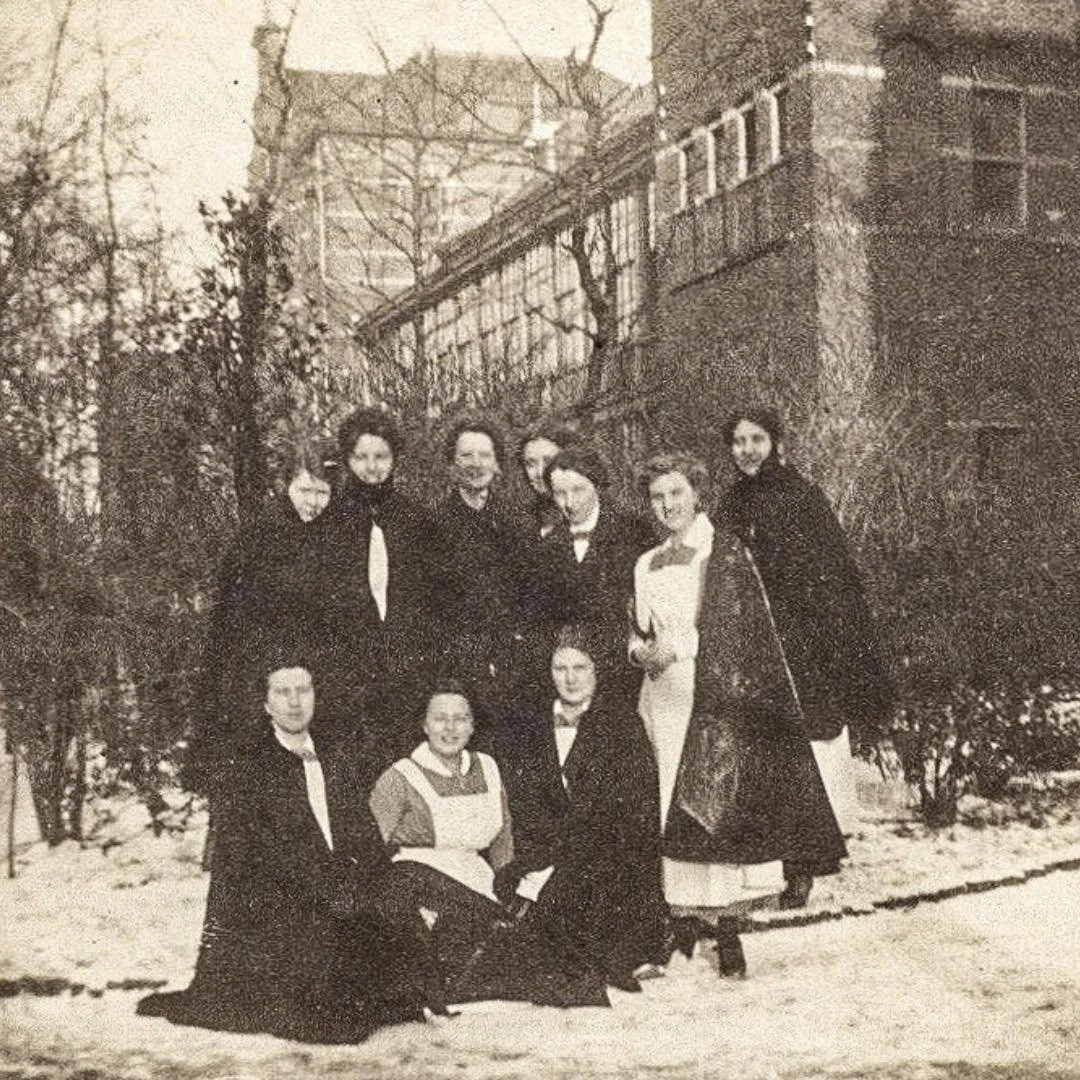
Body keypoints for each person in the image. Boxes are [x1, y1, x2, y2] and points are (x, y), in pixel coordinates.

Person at [139, 661, 435, 1042]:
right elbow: (263, 855)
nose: (295, 703)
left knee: (388, 936)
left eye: (303, 690)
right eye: (282, 692)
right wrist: (329, 889)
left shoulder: (333, 755)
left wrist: (369, 880)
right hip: (275, 901)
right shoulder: (250, 765)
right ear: (265, 705)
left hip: (334, 886)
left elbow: (360, 833)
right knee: (322, 992)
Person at [632, 450, 846, 977]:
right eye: (657, 497)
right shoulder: (645, 561)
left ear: (697, 493)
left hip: (716, 699)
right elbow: (638, 629)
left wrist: (674, 651)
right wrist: (639, 653)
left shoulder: (723, 551)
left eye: (676, 493)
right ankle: (681, 923)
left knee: (714, 804)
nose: (667, 506)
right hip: (662, 698)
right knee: (665, 803)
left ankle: (728, 932)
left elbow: (734, 628)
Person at [719, 408, 892, 906]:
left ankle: (806, 862)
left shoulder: (800, 496)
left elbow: (831, 576)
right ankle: (770, 861)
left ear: (775, 442)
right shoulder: (731, 501)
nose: (747, 449)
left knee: (804, 752)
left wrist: (820, 641)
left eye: (756, 439)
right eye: (738, 441)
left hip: (801, 644)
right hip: (751, 646)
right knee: (764, 755)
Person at [369, 682, 607, 1007]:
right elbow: (371, 854)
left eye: (461, 718)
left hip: (478, 884)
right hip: (421, 884)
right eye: (440, 719)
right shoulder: (399, 777)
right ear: (424, 725)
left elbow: (501, 839)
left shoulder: (488, 767)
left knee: (557, 950)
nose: (450, 728)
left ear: (472, 725)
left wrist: (508, 888)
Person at [495, 627, 667, 992]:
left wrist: (577, 848)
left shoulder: (622, 724)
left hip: (605, 852)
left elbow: (636, 804)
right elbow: (524, 800)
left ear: (596, 671)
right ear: (549, 673)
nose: (570, 679)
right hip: (544, 849)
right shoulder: (530, 728)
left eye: (580, 668)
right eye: (560, 669)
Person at [299, 407, 444, 778]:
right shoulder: (329, 520)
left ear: (395, 458)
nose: (372, 467)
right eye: (361, 457)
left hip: (407, 674)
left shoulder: (417, 519)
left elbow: (432, 599)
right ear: (347, 460)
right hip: (347, 679)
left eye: (381, 457)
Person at [187, 439, 335, 795]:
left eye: (323, 492)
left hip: (312, 680)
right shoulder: (259, 538)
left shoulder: (331, 540)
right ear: (286, 486)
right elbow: (233, 620)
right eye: (305, 489)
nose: (313, 502)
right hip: (259, 678)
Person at [432, 413, 532, 738]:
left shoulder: (517, 522)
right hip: (455, 669)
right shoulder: (432, 526)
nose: (476, 464)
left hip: (510, 669)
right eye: (466, 455)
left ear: (498, 464)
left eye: (484, 455)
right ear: (451, 463)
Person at [535, 444, 653, 701]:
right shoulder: (547, 546)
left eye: (578, 490)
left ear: (597, 486)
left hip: (625, 674)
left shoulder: (634, 532)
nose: (569, 503)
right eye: (559, 493)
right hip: (571, 680)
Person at [516, 421, 579, 540]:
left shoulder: (596, 516)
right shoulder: (520, 522)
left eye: (549, 462)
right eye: (531, 464)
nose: (540, 473)